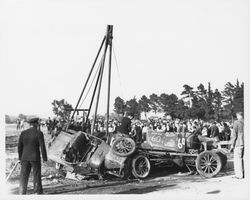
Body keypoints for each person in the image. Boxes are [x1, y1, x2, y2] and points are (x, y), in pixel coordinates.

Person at [18, 117, 47, 194]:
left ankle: (21, 192)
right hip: (35, 158)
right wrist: (44, 158)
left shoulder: (23, 133)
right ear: (36, 124)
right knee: (36, 175)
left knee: (23, 176)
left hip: (24, 158)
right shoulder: (39, 133)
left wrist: (20, 158)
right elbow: (42, 147)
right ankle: (37, 192)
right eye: (38, 123)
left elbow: (19, 147)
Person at [230, 112, 244, 179]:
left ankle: (239, 175)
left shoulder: (236, 122)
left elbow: (234, 135)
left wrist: (232, 144)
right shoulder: (245, 121)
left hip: (238, 143)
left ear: (238, 116)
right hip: (244, 142)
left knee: (237, 159)